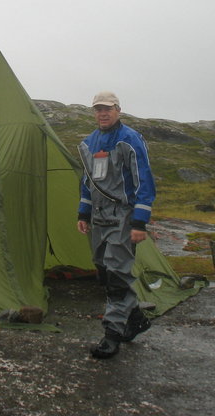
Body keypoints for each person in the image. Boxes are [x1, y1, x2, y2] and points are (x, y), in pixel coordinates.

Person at [77, 91, 155, 359]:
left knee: (116, 276)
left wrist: (139, 222)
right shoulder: (89, 143)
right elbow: (87, 182)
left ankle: (112, 335)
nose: (103, 113)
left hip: (123, 216)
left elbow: (144, 180)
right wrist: (83, 214)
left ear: (118, 110)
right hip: (98, 218)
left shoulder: (130, 139)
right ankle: (135, 318)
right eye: (99, 109)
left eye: (108, 109)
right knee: (103, 272)